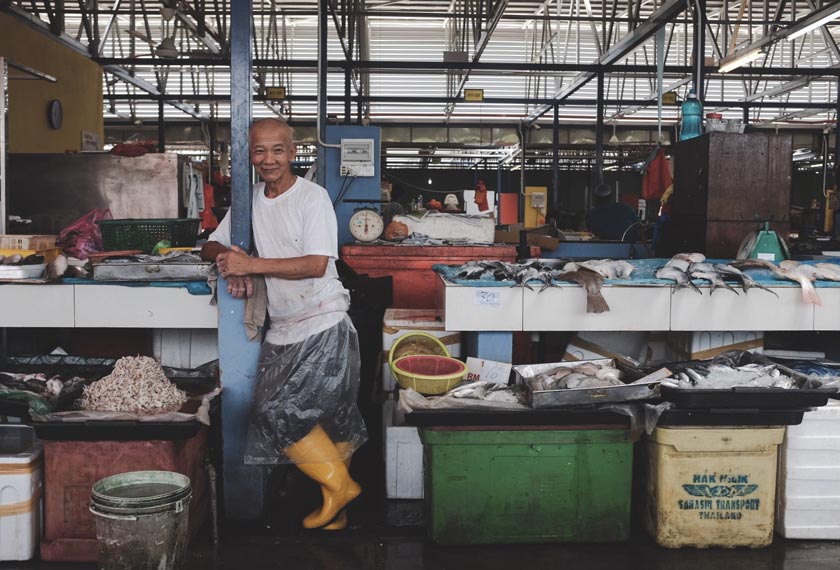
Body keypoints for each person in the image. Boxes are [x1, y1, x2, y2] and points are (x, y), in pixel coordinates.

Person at [201, 118, 366, 530]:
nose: (268, 159)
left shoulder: (312, 198)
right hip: (284, 324)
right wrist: (227, 259)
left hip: (322, 321)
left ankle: (339, 490)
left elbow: (315, 264)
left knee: (297, 414)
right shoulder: (251, 200)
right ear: (249, 156)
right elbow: (210, 243)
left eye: (277, 150)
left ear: (293, 152)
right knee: (291, 413)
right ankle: (339, 498)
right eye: (259, 150)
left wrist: (250, 265)